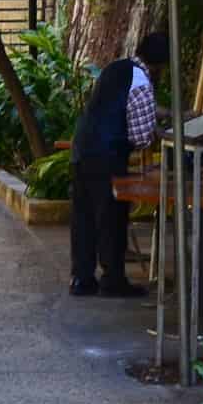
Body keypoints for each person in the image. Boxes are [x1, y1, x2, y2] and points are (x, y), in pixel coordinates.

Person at [69, 31, 169, 298]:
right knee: (111, 217)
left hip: (81, 148)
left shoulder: (117, 68)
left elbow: (117, 104)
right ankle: (113, 280)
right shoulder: (142, 82)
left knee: (84, 216)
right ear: (160, 65)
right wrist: (157, 132)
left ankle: (82, 278)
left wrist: (161, 112)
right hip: (108, 154)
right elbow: (140, 136)